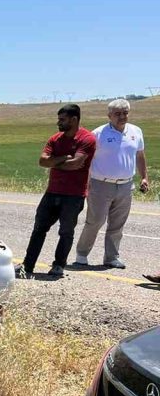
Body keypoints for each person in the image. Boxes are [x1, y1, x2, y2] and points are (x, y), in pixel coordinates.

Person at [17, 104, 97, 278]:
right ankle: (27, 265)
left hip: (74, 195)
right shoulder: (55, 139)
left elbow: (76, 164)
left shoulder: (87, 139)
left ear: (74, 119)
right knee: (39, 229)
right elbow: (42, 161)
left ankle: (59, 265)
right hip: (52, 192)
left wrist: (54, 162)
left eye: (62, 119)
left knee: (66, 232)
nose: (58, 123)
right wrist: (63, 159)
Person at [74, 99, 149, 269]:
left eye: (125, 113)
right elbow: (88, 160)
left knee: (117, 224)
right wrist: (85, 183)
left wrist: (144, 177)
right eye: (118, 114)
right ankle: (82, 254)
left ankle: (111, 257)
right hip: (100, 184)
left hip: (125, 185)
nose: (122, 116)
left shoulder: (136, 132)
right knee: (95, 221)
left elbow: (140, 155)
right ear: (109, 116)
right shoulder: (98, 134)